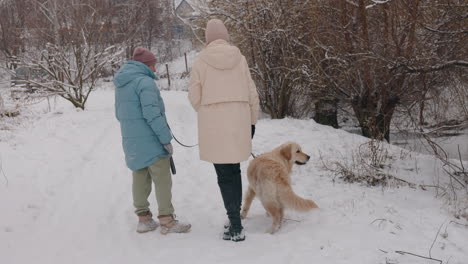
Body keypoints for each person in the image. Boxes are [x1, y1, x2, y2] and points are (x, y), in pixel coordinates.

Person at [188, 19, 260, 242]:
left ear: (207, 37)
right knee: (235, 170)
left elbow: (194, 97)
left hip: (214, 125)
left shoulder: (200, 62)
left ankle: (235, 225)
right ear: (226, 35)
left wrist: (207, 110)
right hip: (238, 122)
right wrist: (251, 122)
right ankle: (235, 220)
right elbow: (252, 94)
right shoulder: (240, 59)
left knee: (223, 175)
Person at [114, 47, 191, 234]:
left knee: (139, 178)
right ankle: (167, 220)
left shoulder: (122, 83)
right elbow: (152, 114)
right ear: (147, 65)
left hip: (131, 141)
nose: (155, 69)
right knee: (162, 179)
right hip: (151, 140)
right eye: (153, 65)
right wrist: (165, 139)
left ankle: (143, 219)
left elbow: (119, 114)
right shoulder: (145, 82)